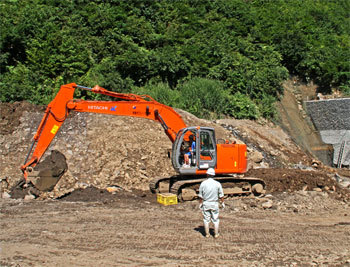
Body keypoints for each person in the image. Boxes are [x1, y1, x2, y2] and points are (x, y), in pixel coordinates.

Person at [198, 168, 225, 238]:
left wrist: (200, 203)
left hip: (206, 203)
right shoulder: (217, 184)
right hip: (214, 204)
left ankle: (207, 234)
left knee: (206, 219)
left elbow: (200, 196)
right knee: (215, 219)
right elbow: (221, 195)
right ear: (213, 175)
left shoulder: (203, 183)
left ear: (207, 174)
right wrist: (222, 202)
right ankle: (216, 234)